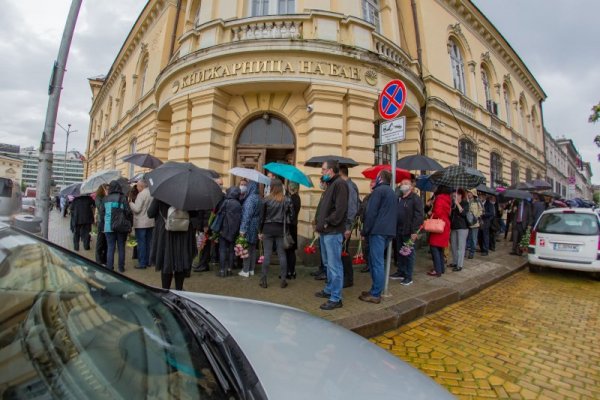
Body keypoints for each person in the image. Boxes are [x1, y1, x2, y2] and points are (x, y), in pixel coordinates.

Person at [314, 160, 348, 310]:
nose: (321, 173)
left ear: (330, 171)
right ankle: (329, 290)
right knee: (328, 264)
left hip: (333, 232)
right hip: (325, 232)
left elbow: (340, 210)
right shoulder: (331, 185)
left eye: (323, 170)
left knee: (335, 266)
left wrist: (327, 222)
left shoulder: (340, 184)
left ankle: (336, 298)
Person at [360, 170, 397, 303]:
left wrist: (365, 231)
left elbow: (371, 214)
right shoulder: (391, 192)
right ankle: (374, 289)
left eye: (377, 177)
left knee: (377, 263)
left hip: (378, 232)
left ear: (380, 178)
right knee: (377, 262)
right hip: (388, 232)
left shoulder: (378, 191)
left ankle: (375, 294)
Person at [148, 198, 198, 290]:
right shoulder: (188, 196)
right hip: (183, 232)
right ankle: (179, 291)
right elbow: (195, 214)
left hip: (166, 233)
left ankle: (165, 290)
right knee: (181, 260)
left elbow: (150, 213)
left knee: (166, 260)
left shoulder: (161, 195)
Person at [259, 179, 292, 289]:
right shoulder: (287, 200)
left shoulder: (266, 200)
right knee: (282, 255)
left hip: (268, 229)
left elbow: (261, 217)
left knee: (267, 254)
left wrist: (260, 231)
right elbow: (292, 216)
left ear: (271, 187)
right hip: (280, 229)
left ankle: (263, 280)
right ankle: (283, 280)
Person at [390, 176, 423, 285]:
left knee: (408, 253)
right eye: (401, 183)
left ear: (411, 186)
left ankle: (408, 276)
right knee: (400, 253)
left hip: (409, 231)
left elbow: (418, 216)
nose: (402, 184)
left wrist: (414, 231)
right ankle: (401, 272)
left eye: (405, 183)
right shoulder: (400, 197)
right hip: (399, 230)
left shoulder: (415, 199)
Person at [103, 180, 132, 272]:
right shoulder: (123, 198)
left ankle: (109, 268)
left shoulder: (105, 198)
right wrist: (130, 223)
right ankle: (121, 268)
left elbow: (101, 212)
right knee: (121, 247)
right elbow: (128, 212)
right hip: (121, 226)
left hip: (108, 226)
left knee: (110, 247)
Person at [339, 166, 359, 288]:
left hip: (345, 226)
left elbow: (352, 209)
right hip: (342, 225)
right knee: (342, 252)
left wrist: (348, 227)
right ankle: (344, 277)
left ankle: (348, 279)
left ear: (341, 174)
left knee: (344, 252)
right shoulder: (346, 185)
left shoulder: (349, 186)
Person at [217, 186, 242, 277]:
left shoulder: (226, 202)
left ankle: (222, 270)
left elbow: (219, 214)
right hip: (234, 230)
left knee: (223, 250)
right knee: (231, 251)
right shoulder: (238, 204)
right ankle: (230, 269)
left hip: (224, 229)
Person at [129, 178, 154, 269]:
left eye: (138, 186)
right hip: (150, 222)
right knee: (148, 243)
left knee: (141, 243)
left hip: (141, 223)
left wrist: (131, 203)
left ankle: (142, 263)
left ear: (141, 186)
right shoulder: (152, 193)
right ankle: (148, 261)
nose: (137, 188)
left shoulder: (141, 194)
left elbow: (137, 209)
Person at [427, 186, 452, 277]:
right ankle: (441, 269)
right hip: (445, 225)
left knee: (434, 247)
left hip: (438, 225)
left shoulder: (439, 198)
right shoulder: (448, 199)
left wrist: (431, 213)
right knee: (440, 248)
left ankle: (437, 270)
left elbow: (437, 212)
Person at [238, 180, 261, 277]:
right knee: (252, 248)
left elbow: (247, 216)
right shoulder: (259, 198)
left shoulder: (250, 199)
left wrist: (242, 230)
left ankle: (245, 270)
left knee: (246, 248)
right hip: (256, 226)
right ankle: (251, 269)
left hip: (249, 226)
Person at [449, 188, 470, 272]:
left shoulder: (465, 203)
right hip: (454, 227)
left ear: (460, 195)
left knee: (460, 247)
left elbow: (464, 213)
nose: (454, 197)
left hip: (462, 227)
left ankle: (459, 265)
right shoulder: (452, 204)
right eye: (453, 195)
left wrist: (457, 204)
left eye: (456, 195)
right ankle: (455, 262)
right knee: (453, 246)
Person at [285, 181, 301, 280]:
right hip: (294, 226)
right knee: (291, 251)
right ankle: (292, 271)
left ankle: (288, 272)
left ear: (291, 187)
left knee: (288, 250)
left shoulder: (292, 198)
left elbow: (289, 213)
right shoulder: (297, 197)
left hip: (289, 227)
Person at [466, 191, 482, 259]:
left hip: (474, 223)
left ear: (473, 193)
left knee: (473, 239)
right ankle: (465, 251)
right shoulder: (466, 201)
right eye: (468, 192)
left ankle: (472, 252)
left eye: (470, 192)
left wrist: (476, 217)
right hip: (466, 223)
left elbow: (481, 210)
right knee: (467, 238)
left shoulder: (477, 201)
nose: (469, 194)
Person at [95, 184, 108, 265]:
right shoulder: (98, 198)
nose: (108, 190)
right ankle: (98, 259)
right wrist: (106, 198)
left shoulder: (107, 197)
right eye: (106, 189)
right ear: (102, 190)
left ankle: (104, 259)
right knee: (100, 242)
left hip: (107, 222)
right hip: (101, 222)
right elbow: (101, 208)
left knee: (106, 242)